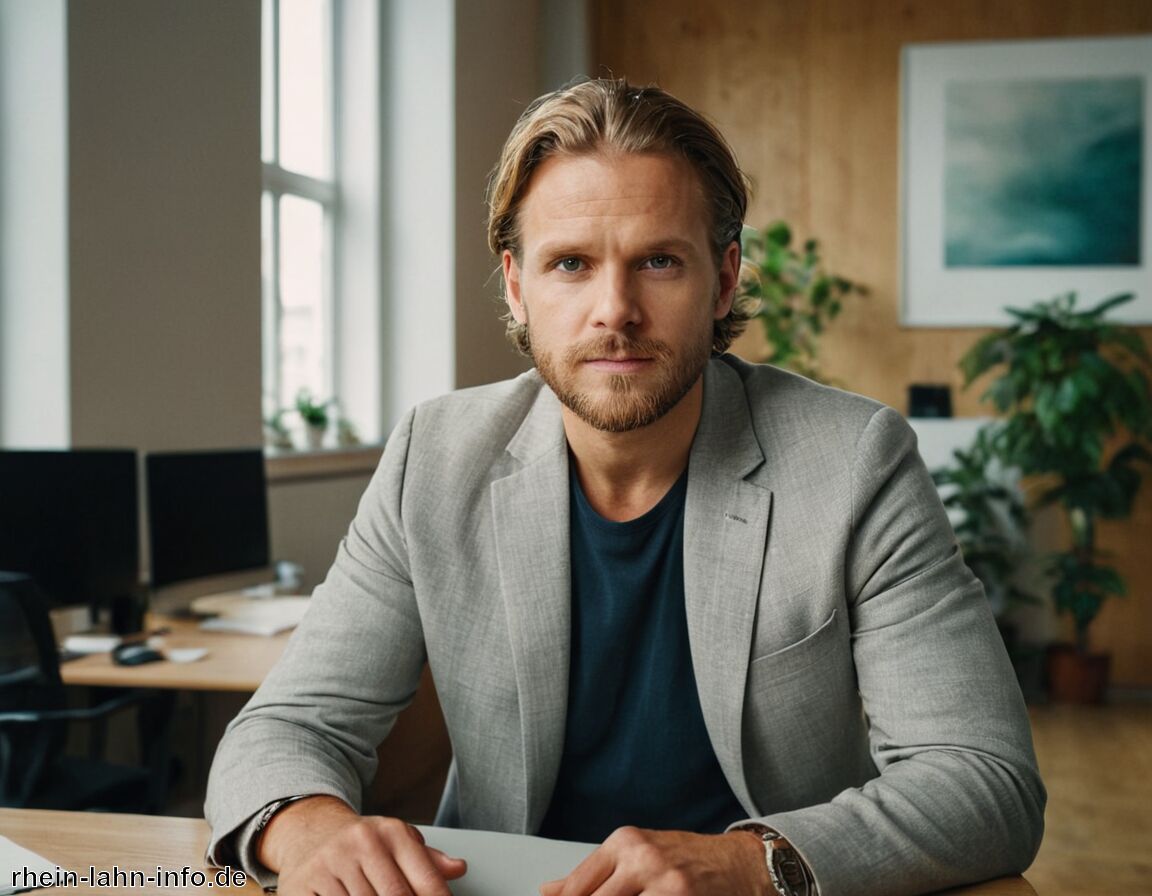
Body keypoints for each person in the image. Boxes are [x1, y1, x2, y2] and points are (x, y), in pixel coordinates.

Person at [205, 78, 1044, 896]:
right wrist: (314, 826)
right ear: (516, 285)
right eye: (570, 263)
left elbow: (984, 778)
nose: (615, 309)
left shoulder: (854, 461)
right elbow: (287, 727)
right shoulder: (435, 455)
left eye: (657, 262)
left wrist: (753, 865)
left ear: (722, 281)